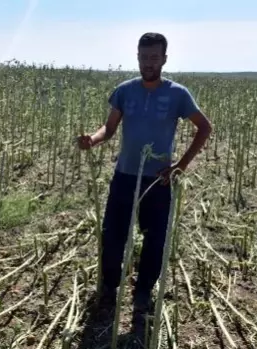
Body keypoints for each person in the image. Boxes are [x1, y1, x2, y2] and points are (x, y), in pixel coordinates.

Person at [77, 32, 213, 316]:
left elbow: (204, 128)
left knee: (155, 239)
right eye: (144, 56)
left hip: (159, 181)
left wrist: (180, 166)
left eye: (154, 57)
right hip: (125, 176)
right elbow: (110, 128)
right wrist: (93, 138)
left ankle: (143, 294)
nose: (148, 62)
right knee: (113, 234)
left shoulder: (178, 94)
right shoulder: (125, 90)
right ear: (137, 57)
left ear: (164, 59)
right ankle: (109, 290)